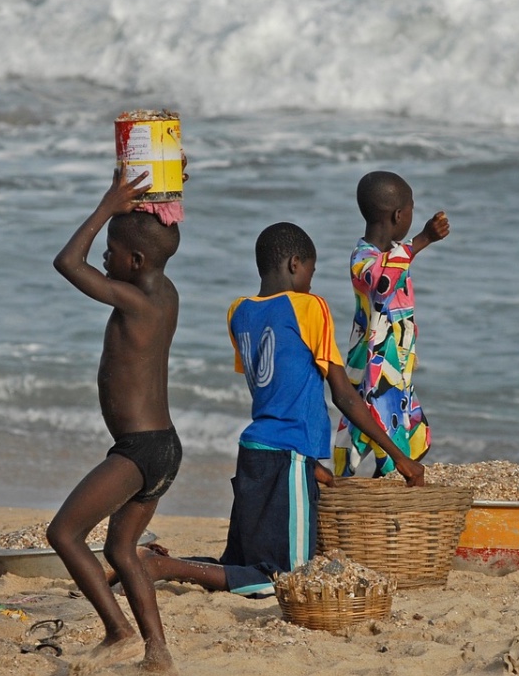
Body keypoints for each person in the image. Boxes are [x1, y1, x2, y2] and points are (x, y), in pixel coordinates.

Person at [129, 221, 426, 597]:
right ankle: (162, 566)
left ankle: (155, 564)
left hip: (255, 452)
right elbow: (344, 396)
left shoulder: (239, 312)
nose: (313, 284)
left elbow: (276, 392)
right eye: (312, 273)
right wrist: (398, 456)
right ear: (295, 264)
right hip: (285, 456)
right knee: (285, 580)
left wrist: (310, 464)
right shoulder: (309, 307)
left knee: (241, 566)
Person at [47, 166, 183, 672]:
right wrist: (149, 188)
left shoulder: (133, 300)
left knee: (63, 534)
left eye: (111, 251)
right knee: (122, 549)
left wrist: (107, 204)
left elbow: (66, 262)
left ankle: (118, 631)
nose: (103, 258)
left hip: (140, 450)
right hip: (165, 447)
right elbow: (152, 237)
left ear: (137, 260)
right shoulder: (164, 292)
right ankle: (157, 652)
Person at [333, 170, 449, 477]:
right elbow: (381, 281)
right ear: (399, 215)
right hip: (375, 370)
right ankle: (366, 503)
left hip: (397, 367)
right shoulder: (363, 257)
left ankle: (366, 495)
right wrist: (422, 239)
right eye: (411, 208)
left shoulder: (392, 254)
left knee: (415, 438)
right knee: (385, 448)